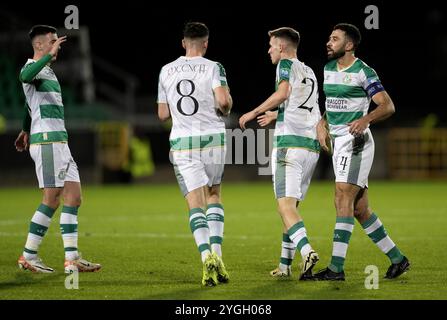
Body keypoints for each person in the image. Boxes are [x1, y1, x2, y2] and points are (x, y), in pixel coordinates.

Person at [313, 23, 410, 280]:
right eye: (329, 38)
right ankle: (398, 259)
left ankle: (336, 269)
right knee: (360, 210)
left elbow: (387, 106)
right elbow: (331, 106)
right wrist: (322, 123)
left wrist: (365, 119)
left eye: (334, 39)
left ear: (349, 45)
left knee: (341, 198)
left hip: (356, 143)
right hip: (339, 143)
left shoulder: (363, 71)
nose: (328, 42)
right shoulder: (328, 69)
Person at [15, 25, 101, 274]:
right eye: (52, 41)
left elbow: (28, 105)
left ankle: (72, 258)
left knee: (74, 197)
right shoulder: (31, 67)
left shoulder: (47, 72)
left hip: (59, 142)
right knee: (51, 199)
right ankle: (28, 255)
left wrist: (24, 129)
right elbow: (24, 77)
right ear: (39, 45)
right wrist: (47, 56)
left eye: (57, 42)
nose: (57, 46)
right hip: (48, 142)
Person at [239, 27, 321, 280]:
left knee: (284, 207)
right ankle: (284, 267)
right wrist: (278, 114)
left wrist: (252, 112)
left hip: (290, 146)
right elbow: (305, 105)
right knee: (290, 208)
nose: (269, 50)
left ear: (282, 47)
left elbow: (283, 93)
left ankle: (307, 251)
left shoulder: (284, 64)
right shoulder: (308, 70)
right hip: (310, 147)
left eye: (272, 45)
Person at [157, 22, 233, 286]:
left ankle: (206, 258)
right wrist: (227, 106)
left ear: (183, 43)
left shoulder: (166, 70)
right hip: (212, 137)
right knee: (214, 195)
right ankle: (218, 256)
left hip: (182, 141)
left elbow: (163, 114)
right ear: (206, 43)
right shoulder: (214, 67)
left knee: (194, 203)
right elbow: (223, 102)